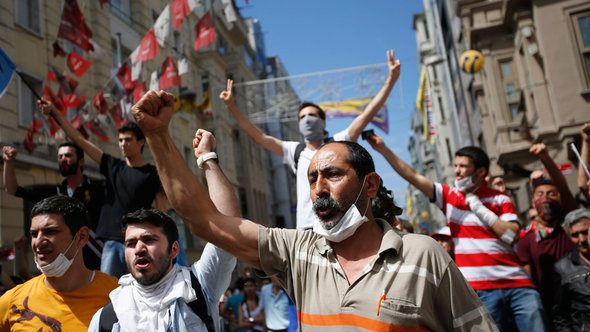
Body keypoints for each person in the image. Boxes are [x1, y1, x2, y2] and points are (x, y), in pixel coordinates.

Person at [129, 89, 498, 331]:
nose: (319, 188)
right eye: (311, 178)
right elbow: (203, 219)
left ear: (370, 185)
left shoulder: (423, 256)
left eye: (333, 174)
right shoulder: (298, 254)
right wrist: (159, 137)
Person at [366, 132, 545, 331]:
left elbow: (511, 235)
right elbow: (413, 176)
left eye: (463, 166)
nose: (457, 171)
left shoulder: (499, 198)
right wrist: (383, 149)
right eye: (456, 166)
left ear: (480, 172)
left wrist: (477, 207)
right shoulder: (450, 196)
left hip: (517, 284)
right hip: (480, 289)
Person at [220, 50, 401, 230]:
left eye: (312, 115)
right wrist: (232, 107)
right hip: (306, 228)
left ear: (323, 121)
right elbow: (258, 136)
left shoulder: (338, 143)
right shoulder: (295, 151)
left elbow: (368, 113)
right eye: (302, 117)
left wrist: (391, 80)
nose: (307, 119)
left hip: (338, 224)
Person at [89, 128, 239, 331]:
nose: (139, 248)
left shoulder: (199, 287)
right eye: (130, 243)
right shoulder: (106, 317)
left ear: (174, 249)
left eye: (149, 239)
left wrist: (207, 158)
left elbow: (228, 228)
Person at [38, 99, 166, 278]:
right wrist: (54, 112)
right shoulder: (113, 166)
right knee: (107, 296)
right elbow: (79, 140)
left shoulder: (153, 173)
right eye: (120, 140)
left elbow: (162, 211)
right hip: (112, 243)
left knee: (142, 293)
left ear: (141, 142)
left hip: (139, 243)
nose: (123, 144)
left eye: (128, 140)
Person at [0, 196, 119, 331]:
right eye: (34, 234)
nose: (38, 242)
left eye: (50, 231)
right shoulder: (12, 301)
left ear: (81, 236)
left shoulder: (118, 295)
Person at [3, 142, 105, 270]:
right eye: (60, 156)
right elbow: (13, 190)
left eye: (68, 155)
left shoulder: (99, 189)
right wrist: (9, 162)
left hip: (100, 256)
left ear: (81, 161)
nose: (63, 159)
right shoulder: (56, 193)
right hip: (67, 261)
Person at [516, 178, 574, 321]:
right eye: (540, 194)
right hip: (548, 307)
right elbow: (527, 279)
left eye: (551, 194)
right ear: (533, 201)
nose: (545, 198)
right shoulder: (525, 238)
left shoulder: (571, 229)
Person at [552, 208, 590, 330]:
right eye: (575, 235)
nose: (582, 239)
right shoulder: (563, 268)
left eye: (585, 232)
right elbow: (560, 314)